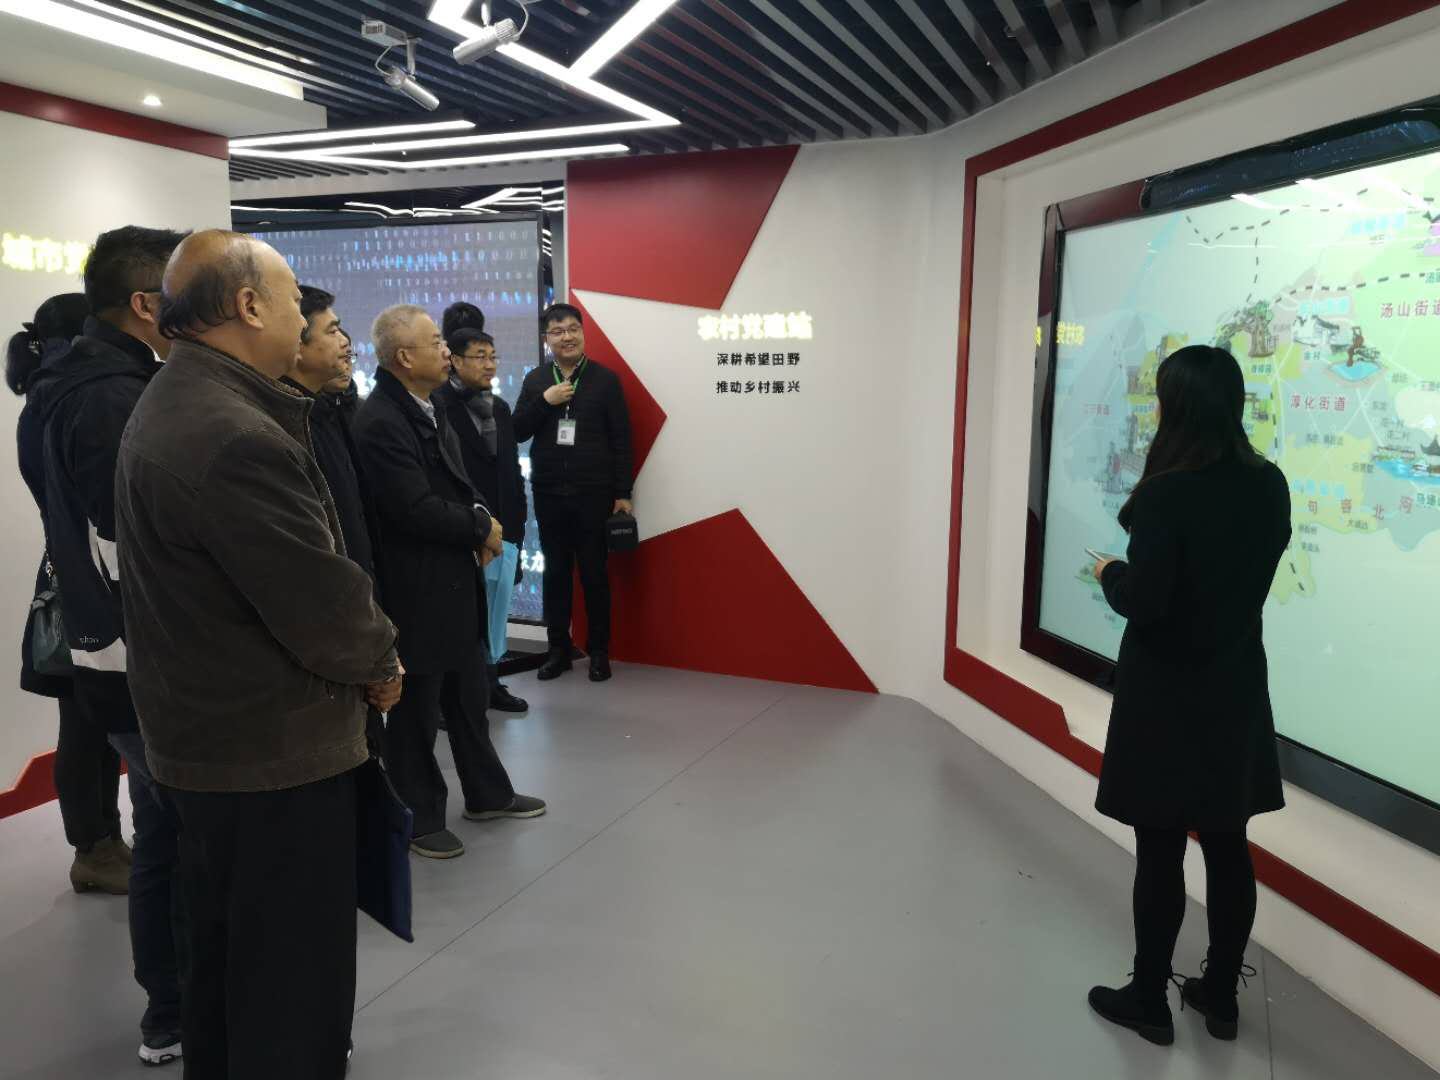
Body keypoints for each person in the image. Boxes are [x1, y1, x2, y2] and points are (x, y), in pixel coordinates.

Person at [115, 230, 403, 1079]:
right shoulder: (233, 431)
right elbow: (320, 602)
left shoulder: (179, 400)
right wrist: (381, 661)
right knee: (290, 992)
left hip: (211, 743)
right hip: (270, 757)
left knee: (227, 975)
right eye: (291, 301)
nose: (303, 318)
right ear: (247, 306)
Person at [1086, 345, 1291, 1047]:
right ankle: (1221, 996)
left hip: (1165, 699)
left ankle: (1149, 998)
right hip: (1234, 690)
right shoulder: (1270, 484)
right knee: (1228, 843)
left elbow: (1146, 603)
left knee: (1161, 848)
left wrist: (1111, 573)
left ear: (1176, 407)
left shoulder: (1168, 493)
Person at [26, 227, 192, 1069]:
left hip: (115, 649)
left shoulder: (76, 382)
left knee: (163, 831)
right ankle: (180, 1008)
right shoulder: (109, 397)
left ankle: (175, 1008)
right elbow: (129, 541)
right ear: (145, 304)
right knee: (180, 836)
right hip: (144, 657)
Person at [352, 304, 545, 861]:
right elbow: (411, 508)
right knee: (416, 712)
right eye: (435, 342)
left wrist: (480, 519)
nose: (446, 351)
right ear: (404, 356)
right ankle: (418, 818)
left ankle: (488, 794)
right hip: (415, 587)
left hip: (454, 580)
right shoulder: (380, 421)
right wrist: (480, 527)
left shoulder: (430, 404)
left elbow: (462, 485)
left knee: (468, 696)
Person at [9, 292, 130, 897]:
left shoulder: (48, 399)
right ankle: (93, 846)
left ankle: (104, 840)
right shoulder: (62, 401)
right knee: (84, 721)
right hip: (78, 580)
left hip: (71, 574)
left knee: (91, 719)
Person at [513, 303, 634, 683]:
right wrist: (545, 401)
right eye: (558, 331)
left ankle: (599, 652)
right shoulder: (536, 380)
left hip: (594, 493)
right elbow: (517, 430)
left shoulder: (605, 380)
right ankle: (558, 651)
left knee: (595, 573)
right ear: (546, 339)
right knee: (556, 574)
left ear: (582, 332)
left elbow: (622, 439)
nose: (567, 337)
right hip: (549, 492)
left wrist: (623, 491)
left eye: (573, 329)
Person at [436, 323, 529, 714]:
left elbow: (510, 469)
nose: (490, 365)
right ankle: (451, 697)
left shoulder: (499, 407)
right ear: (455, 361)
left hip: (503, 526)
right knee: (458, 615)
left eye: (493, 357)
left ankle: (490, 683)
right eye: (480, 357)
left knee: (495, 609)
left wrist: (517, 524)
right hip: (464, 526)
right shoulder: (439, 405)